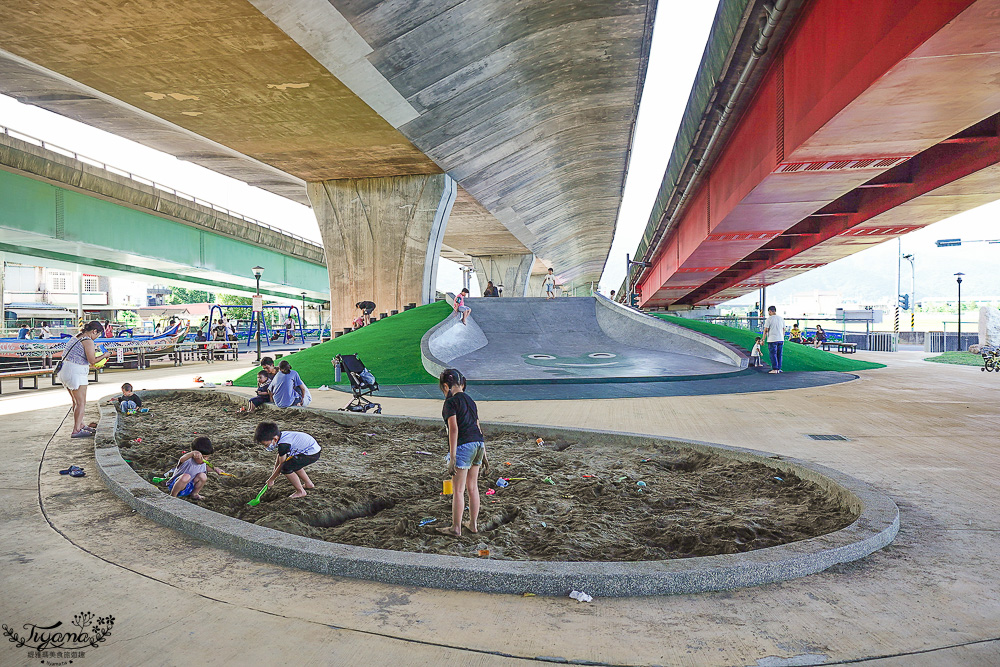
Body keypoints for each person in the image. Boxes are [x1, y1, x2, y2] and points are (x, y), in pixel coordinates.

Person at [437, 368, 486, 537]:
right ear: (462, 384)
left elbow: (453, 429)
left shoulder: (450, 403)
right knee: (473, 487)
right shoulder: (470, 400)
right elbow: (478, 426)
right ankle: (473, 524)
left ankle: (456, 528)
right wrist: (484, 455)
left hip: (464, 446)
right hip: (478, 444)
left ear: (446, 386)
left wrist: (452, 457)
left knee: (458, 490)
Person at [57, 321, 114, 438]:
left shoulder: (77, 337)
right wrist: (105, 355)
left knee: (76, 402)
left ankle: (81, 424)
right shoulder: (88, 341)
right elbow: (92, 360)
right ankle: (76, 430)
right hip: (75, 372)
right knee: (81, 403)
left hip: (65, 370)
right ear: (94, 331)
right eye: (98, 335)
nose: (97, 337)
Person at [256, 421, 321, 499]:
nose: (266, 447)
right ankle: (309, 484)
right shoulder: (281, 436)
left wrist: (272, 479)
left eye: (266, 445)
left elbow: (282, 464)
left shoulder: (284, 444)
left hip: (311, 453)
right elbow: (280, 455)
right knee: (293, 464)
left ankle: (301, 491)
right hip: (309, 450)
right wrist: (274, 471)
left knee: (286, 468)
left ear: (275, 439)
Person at [762, 305, 785, 374]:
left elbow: (766, 330)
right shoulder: (781, 318)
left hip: (772, 339)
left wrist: (763, 339)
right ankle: (779, 368)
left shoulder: (769, 319)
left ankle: (775, 369)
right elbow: (783, 329)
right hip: (780, 339)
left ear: (770, 311)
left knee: (773, 354)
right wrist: (782, 338)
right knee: (779, 354)